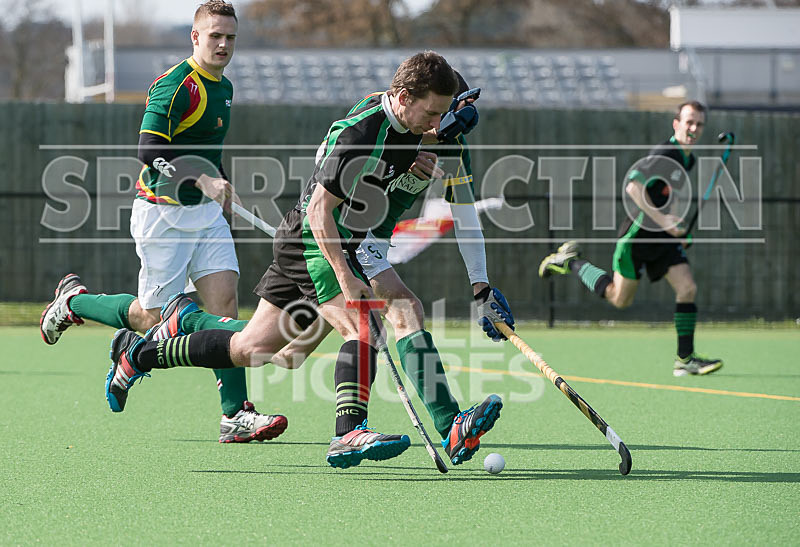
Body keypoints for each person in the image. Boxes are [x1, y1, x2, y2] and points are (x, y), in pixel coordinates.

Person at [105, 52, 514, 469]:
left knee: (254, 349)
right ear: (406, 97)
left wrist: (481, 287)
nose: (438, 126)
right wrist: (345, 275)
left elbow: (463, 212)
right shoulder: (362, 131)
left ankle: (142, 353)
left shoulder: (435, 134)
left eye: (444, 117)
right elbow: (320, 212)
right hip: (314, 241)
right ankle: (349, 432)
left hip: (354, 243)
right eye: (434, 115)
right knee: (365, 324)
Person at [38, 1, 285, 443]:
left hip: (205, 214)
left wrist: (221, 183)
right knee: (151, 317)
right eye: (215, 36)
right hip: (162, 215)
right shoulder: (174, 85)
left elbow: (208, 147)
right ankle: (72, 303)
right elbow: (148, 152)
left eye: (230, 37)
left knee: (224, 307)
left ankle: (235, 414)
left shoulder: (224, 87)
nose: (224, 44)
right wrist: (202, 178)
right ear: (195, 37)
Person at [538, 100, 722, 377]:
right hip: (636, 238)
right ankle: (571, 263)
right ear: (677, 124)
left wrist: (677, 228)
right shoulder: (665, 153)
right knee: (618, 298)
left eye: (699, 124)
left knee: (687, 288)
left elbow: (663, 196)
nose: (694, 128)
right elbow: (634, 187)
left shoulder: (688, 159)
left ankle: (685, 359)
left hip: (662, 239)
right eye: (689, 122)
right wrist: (666, 225)